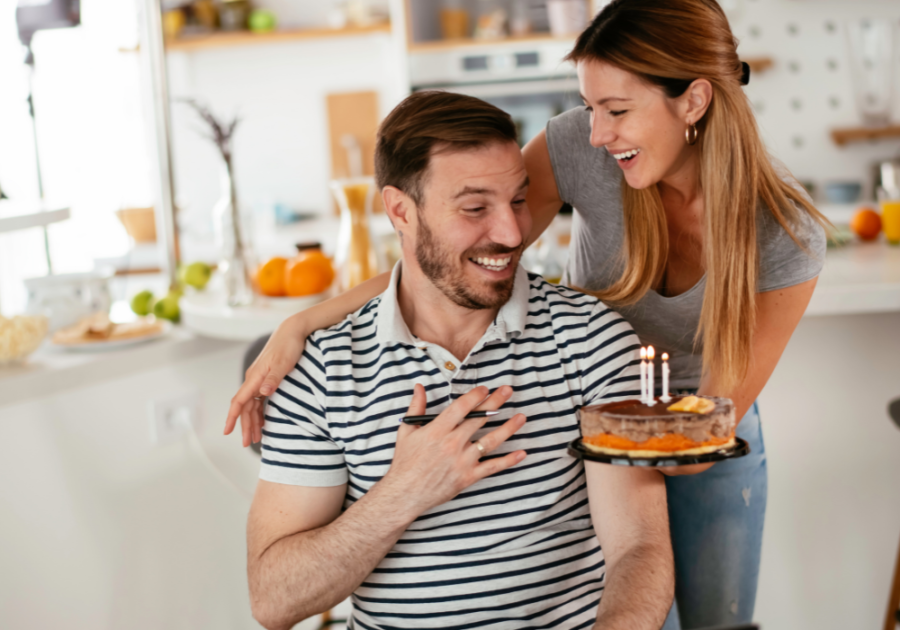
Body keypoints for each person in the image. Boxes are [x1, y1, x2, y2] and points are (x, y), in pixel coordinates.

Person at [228, 1, 828, 627]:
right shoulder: (586, 149)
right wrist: (304, 321)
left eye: (617, 111)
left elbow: (703, 441)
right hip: (599, 393)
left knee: (711, 619)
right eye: (591, 107)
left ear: (694, 101)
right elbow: (464, 254)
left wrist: (585, 446)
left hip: (697, 428)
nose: (596, 132)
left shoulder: (786, 238)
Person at [245, 90, 674, 630]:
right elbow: (274, 600)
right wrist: (404, 492)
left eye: (519, 200)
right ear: (400, 210)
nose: (512, 233)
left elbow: (640, 548)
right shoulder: (320, 369)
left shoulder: (592, 340)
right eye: (475, 208)